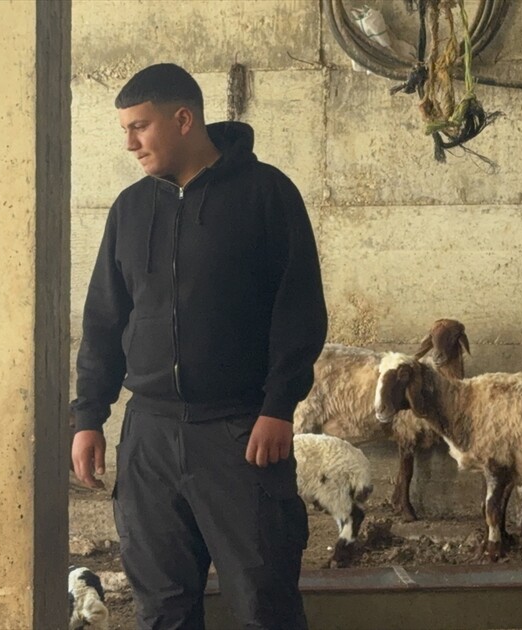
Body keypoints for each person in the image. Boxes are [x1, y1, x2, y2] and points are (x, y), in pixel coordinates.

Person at [70, 63, 328, 630]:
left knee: (264, 603)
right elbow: (105, 319)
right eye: (124, 130)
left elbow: (299, 310)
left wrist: (278, 407)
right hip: (150, 438)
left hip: (240, 433)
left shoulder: (267, 194)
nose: (130, 144)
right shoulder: (130, 209)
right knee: (162, 608)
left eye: (140, 127)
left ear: (183, 119)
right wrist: (89, 416)